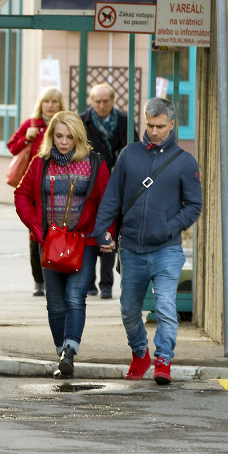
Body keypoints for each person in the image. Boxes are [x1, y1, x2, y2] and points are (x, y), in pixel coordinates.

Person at [93, 97, 202, 385]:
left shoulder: (184, 161)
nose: (154, 132)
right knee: (129, 309)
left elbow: (194, 205)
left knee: (165, 304)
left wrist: (168, 229)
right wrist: (103, 230)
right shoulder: (130, 155)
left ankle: (163, 359)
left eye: (160, 127)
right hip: (131, 248)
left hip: (167, 250)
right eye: (150, 125)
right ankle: (140, 353)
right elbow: (112, 198)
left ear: (172, 125)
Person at [14, 111, 115, 378]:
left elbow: (108, 202)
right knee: (55, 303)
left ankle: (69, 351)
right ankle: (62, 353)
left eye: (70, 136)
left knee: (75, 298)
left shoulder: (95, 163)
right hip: (48, 242)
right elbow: (22, 195)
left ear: (79, 136)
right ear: (51, 136)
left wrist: (108, 233)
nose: (64, 142)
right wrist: (36, 227)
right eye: (58, 136)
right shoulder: (40, 163)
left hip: (85, 242)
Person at [79, 82, 139, 300]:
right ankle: (88, 283)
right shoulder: (82, 121)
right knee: (88, 233)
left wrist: (120, 166)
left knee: (109, 233)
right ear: (91, 101)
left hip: (116, 186)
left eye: (105, 101)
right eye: (97, 101)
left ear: (113, 101)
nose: (101, 105)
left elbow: (133, 149)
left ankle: (106, 284)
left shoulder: (123, 121)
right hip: (88, 186)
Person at [7, 87, 66, 297]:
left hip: (60, 188)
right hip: (34, 189)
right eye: (46, 101)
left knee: (58, 233)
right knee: (36, 235)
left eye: (54, 102)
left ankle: (57, 276)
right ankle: (39, 280)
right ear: (40, 104)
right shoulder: (31, 124)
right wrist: (26, 139)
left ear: (60, 105)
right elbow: (12, 147)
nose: (50, 105)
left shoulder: (65, 125)